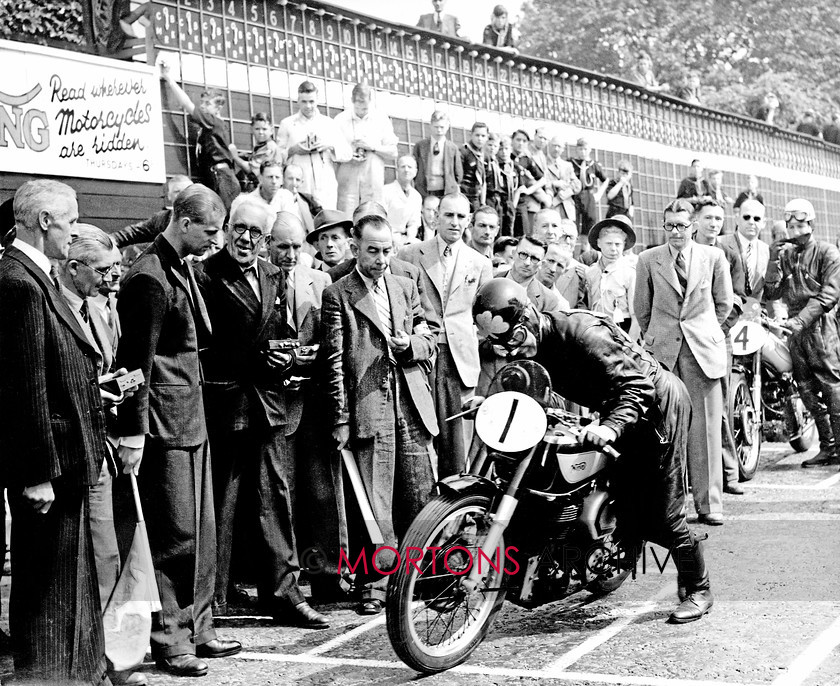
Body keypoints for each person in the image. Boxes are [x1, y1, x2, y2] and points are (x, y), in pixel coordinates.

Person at [472, 279, 714, 623]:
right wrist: (492, 404)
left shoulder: (583, 334)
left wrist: (609, 426)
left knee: (663, 511)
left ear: (528, 318)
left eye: (512, 339)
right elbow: (525, 387)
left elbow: (636, 386)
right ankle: (598, 551)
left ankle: (699, 587)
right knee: (604, 486)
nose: (510, 350)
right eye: (499, 344)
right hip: (613, 408)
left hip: (657, 408)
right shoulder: (528, 343)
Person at [116, 184, 241, 677]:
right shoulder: (147, 277)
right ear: (184, 223)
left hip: (193, 419)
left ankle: (200, 627)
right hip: (166, 427)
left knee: (202, 531)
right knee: (175, 536)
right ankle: (171, 640)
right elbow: (136, 364)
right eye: (210, 231)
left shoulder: (180, 264)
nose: (217, 240)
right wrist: (134, 432)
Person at [0, 180, 110, 684]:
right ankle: (50, 676)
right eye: (69, 221)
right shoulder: (19, 282)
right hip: (51, 466)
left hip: (65, 458)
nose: (72, 233)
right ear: (45, 221)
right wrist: (37, 473)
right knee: (49, 590)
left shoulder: (31, 276)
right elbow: (25, 388)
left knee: (68, 585)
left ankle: (76, 675)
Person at [201, 200, 329, 629]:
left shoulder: (271, 273)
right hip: (228, 406)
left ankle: (285, 596)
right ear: (225, 228)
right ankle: (211, 601)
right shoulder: (206, 274)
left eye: (256, 233)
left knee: (274, 499)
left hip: (269, 405)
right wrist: (261, 358)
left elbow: (275, 334)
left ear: (265, 239)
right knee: (223, 504)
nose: (246, 239)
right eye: (239, 229)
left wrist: (287, 360)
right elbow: (209, 349)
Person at [323, 214, 438, 615]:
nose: (382, 258)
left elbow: (430, 335)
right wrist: (341, 417)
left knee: (421, 491)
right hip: (369, 407)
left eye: (388, 250)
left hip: (412, 403)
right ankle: (377, 581)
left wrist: (414, 345)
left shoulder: (406, 285)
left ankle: (422, 574)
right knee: (375, 501)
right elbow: (334, 363)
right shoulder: (338, 293)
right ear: (355, 248)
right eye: (373, 250)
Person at [635, 199, 733, 526]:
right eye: (669, 226)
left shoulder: (714, 257)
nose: (675, 232)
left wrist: (702, 332)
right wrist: (659, 339)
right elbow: (642, 309)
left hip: (702, 353)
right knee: (665, 433)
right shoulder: (648, 259)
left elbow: (724, 305)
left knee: (704, 433)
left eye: (681, 225)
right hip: (663, 355)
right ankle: (670, 508)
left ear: (693, 226)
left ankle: (709, 504)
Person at [400, 193, 493, 478]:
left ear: (468, 221)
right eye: (449, 215)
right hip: (422, 355)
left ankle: (457, 506)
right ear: (436, 216)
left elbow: (483, 315)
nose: (455, 222)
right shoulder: (410, 254)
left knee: (457, 438)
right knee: (420, 431)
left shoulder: (479, 263)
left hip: (459, 359)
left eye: (461, 217)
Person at [764, 199, 840, 468]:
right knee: (806, 389)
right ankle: (828, 447)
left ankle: (839, 447)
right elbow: (771, 292)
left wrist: (799, 321)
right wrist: (773, 260)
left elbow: (828, 295)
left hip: (820, 327)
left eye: (800, 225)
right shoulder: (785, 255)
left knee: (831, 388)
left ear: (811, 224)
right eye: (791, 225)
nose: (795, 230)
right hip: (795, 329)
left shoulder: (827, 252)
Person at [692, 198, 746, 496]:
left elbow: (735, 301)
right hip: (687, 339)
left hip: (717, 337)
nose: (714, 224)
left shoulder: (727, 252)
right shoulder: (684, 248)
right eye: (708, 218)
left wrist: (716, 332)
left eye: (718, 219)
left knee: (719, 407)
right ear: (696, 220)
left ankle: (729, 471)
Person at [159, 62, 247, 210]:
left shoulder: (213, 121)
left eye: (208, 104)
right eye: (202, 103)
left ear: (218, 108)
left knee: (222, 218)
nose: (203, 107)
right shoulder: (211, 126)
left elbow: (187, 104)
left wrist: (168, 77)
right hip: (217, 176)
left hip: (221, 177)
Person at [276, 81, 352, 210]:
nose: (308, 106)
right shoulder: (287, 124)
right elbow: (277, 158)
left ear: (317, 100)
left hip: (324, 182)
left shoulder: (328, 123)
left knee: (326, 221)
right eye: (304, 102)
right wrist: (294, 150)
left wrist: (329, 146)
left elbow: (347, 154)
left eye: (311, 101)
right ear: (298, 101)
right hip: (299, 182)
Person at [334, 82, 398, 214]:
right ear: (352, 100)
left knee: (371, 218)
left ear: (370, 100)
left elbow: (393, 152)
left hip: (372, 181)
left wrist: (372, 147)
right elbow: (331, 151)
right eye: (359, 103)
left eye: (365, 104)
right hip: (348, 181)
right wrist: (348, 156)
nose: (363, 107)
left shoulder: (381, 119)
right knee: (346, 218)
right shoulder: (340, 120)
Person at [584, 215, 637, 334]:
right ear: (599, 243)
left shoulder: (629, 273)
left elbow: (636, 316)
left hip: (622, 328)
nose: (613, 249)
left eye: (617, 244)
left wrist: (630, 345)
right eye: (608, 243)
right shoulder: (591, 272)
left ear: (624, 245)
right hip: (597, 328)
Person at [112, 175, 193, 248]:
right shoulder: (161, 219)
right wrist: (110, 240)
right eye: (177, 192)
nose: (182, 195)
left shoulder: (204, 216)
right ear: (169, 196)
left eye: (186, 191)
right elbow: (135, 232)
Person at [718, 199, 769, 300]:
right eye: (746, 217)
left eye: (757, 219)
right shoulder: (720, 244)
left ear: (764, 223)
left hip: (755, 312)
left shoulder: (767, 251)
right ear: (737, 219)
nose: (751, 222)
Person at [413, 110, 463, 199]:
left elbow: (458, 173)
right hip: (424, 190)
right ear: (430, 126)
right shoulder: (420, 146)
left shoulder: (452, 148)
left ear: (447, 127)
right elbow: (415, 167)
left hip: (446, 191)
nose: (439, 130)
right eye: (436, 127)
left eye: (442, 127)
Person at [229, 160, 290, 226]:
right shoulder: (243, 201)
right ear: (260, 178)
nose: (274, 181)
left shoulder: (286, 198)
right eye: (270, 177)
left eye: (277, 177)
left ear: (282, 180)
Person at [510, 129, 545, 236]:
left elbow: (543, 179)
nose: (521, 143)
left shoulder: (526, 160)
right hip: (506, 199)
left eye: (524, 141)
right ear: (512, 141)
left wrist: (529, 191)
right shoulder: (506, 156)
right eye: (518, 140)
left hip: (520, 202)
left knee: (523, 235)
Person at [382, 155, 423, 248]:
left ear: (415, 172)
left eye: (410, 167)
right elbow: (381, 220)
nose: (406, 170)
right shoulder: (385, 191)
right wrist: (393, 240)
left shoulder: (416, 196)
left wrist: (409, 240)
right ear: (397, 170)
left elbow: (414, 223)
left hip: (405, 239)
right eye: (403, 166)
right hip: (386, 238)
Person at [570, 137, 608, 235]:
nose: (583, 152)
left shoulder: (594, 165)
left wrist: (599, 194)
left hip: (589, 196)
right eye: (580, 149)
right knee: (573, 223)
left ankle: (585, 248)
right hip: (574, 196)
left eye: (585, 149)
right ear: (576, 149)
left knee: (589, 223)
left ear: (590, 149)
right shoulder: (571, 163)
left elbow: (605, 180)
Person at [544, 135, 581, 222]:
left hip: (567, 207)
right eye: (554, 145)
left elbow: (577, 185)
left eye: (559, 146)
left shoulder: (567, 165)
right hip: (550, 205)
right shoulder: (543, 163)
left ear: (563, 149)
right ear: (549, 146)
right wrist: (554, 183)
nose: (556, 149)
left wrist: (566, 193)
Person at [281, 162, 323, 237]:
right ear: (283, 179)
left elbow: (322, 218)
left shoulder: (308, 199)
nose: (294, 183)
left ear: (302, 182)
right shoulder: (275, 198)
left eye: (297, 180)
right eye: (290, 179)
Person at [460, 122, 488, 212]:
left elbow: (484, 181)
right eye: (477, 135)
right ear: (471, 135)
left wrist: (483, 202)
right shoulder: (464, 151)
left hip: (476, 197)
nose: (480, 139)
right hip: (463, 195)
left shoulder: (485, 155)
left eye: (483, 136)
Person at [247, 111, 279, 180]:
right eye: (257, 129)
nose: (260, 132)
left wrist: (235, 157)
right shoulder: (260, 145)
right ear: (251, 130)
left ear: (271, 130)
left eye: (264, 129)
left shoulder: (269, 147)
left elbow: (252, 170)